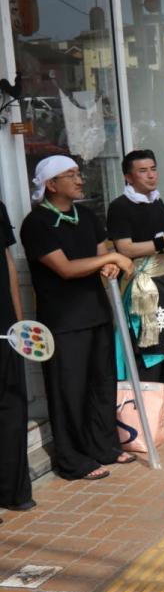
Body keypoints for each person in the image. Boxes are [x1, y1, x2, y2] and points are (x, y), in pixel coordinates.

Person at [20, 156, 135, 481]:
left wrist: (109, 263)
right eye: (69, 175)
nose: (79, 179)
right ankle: (72, 461)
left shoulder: (86, 215)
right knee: (69, 391)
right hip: (63, 322)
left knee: (102, 385)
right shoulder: (37, 224)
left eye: (78, 172)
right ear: (50, 184)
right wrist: (112, 257)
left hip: (97, 313)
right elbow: (66, 269)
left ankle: (105, 447)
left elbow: (101, 257)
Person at [107, 150, 164, 416]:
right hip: (143, 286)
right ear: (128, 176)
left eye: (153, 168)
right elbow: (124, 248)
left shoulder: (156, 201)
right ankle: (149, 408)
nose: (151, 175)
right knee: (150, 345)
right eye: (143, 170)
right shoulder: (120, 207)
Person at [0, 200, 34, 512]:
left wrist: (19, 322)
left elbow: (8, 261)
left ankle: (14, 491)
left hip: (4, 327)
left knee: (12, 408)